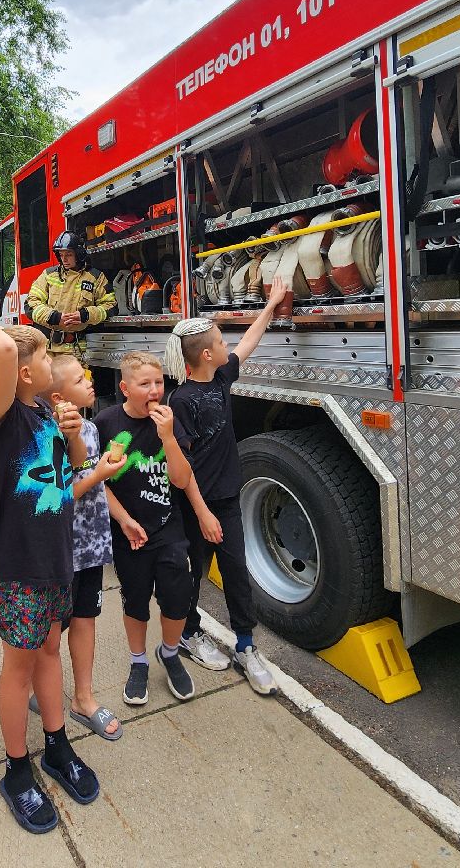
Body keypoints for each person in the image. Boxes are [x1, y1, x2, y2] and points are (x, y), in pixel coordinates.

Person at [0, 322, 99, 834]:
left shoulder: (45, 412)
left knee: (50, 649)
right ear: (24, 372)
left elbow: (74, 470)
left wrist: (71, 434)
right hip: (19, 564)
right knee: (19, 667)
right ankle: (15, 769)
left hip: (55, 558)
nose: (56, 365)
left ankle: (56, 745)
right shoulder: (1, 415)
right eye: (48, 357)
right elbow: (1, 346)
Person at [164, 283, 288, 694]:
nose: (226, 345)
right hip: (195, 506)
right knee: (193, 574)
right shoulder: (181, 400)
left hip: (229, 500)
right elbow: (181, 469)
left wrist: (270, 305)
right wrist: (202, 513)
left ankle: (246, 645)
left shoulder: (220, 379)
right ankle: (188, 632)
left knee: (236, 570)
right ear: (204, 354)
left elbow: (248, 342)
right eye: (220, 341)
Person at [93, 351, 199, 707]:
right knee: (136, 600)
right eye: (145, 384)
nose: (155, 390)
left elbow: (182, 479)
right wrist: (123, 519)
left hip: (168, 526)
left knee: (176, 595)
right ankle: (138, 661)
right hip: (128, 530)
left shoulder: (170, 422)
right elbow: (96, 482)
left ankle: (169, 653)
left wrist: (168, 437)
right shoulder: (105, 423)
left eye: (159, 382)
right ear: (125, 388)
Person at [48, 355, 127, 739]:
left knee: (85, 618)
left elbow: (97, 487)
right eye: (82, 379)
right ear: (59, 397)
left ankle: (83, 697)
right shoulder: (49, 434)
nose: (91, 382)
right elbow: (63, 493)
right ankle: (38, 689)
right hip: (59, 548)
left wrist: (123, 519)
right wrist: (100, 471)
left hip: (92, 545)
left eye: (89, 375)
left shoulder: (92, 429)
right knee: (49, 628)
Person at [26, 231, 115, 355]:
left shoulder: (95, 277)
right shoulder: (48, 275)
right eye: (61, 255)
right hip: (46, 350)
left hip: (75, 351)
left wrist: (86, 315)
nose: (64, 259)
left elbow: (110, 307)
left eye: (68, 254)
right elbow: (30, 306)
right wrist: (54, 317)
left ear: (78, 254)